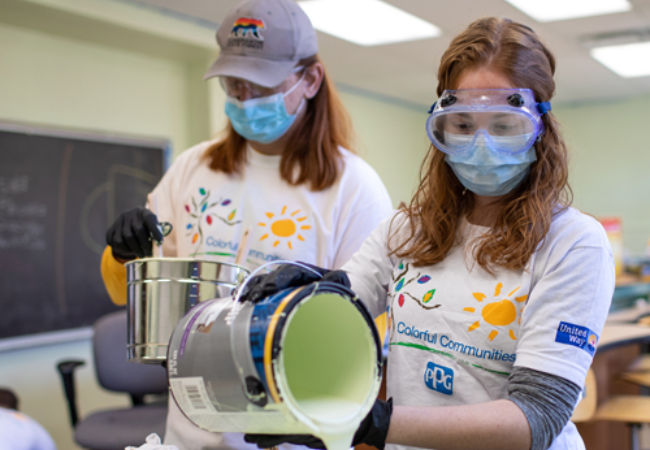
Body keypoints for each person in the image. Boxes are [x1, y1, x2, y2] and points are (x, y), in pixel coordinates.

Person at [242, 17, 614, 450]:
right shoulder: (407, 229)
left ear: (538, 129)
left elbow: (536, 417)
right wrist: (306, 285)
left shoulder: (574, 243)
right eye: (462, 125)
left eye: (504, 125)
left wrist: (372, 424)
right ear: (441, 127)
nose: (481, 145)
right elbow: (345, 297)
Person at [100, 0, 393, 448]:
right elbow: (129, 291)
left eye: (261, 84)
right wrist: (124, 255)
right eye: (235, 85)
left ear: (310, 79)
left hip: (295, 431)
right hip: (191, 432)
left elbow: (369, 340)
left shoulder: (354, 188)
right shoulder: (192, 168)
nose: (245, 98)